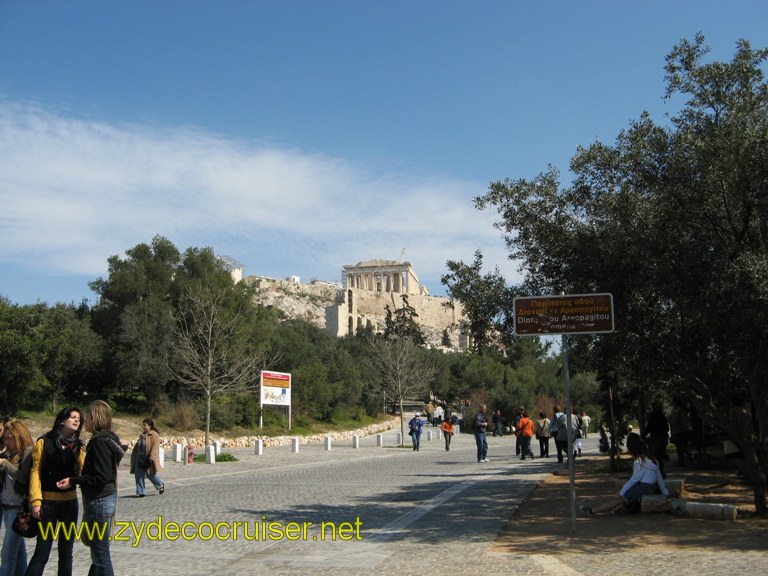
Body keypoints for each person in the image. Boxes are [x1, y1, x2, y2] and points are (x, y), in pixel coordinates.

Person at [58, 400, 124, 576]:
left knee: (101, 555)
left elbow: (101, 477)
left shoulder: (100, 442)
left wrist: (74, 480)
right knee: (96, 551)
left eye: (87, 417)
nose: (84, 421)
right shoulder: (107, 440)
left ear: (95, 418)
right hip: (102, 501)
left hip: (100, 502)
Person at [26, 406, 85, 576]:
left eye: (79, 419)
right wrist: (36, 502)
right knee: (42, 552)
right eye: (73, 417)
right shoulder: (44, 442)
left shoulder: (79, 446)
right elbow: (35, 472)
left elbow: (83, 472)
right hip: (49, 504)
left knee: (66, 553)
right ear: (61, 420)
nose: (76, 420)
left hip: (70, 504)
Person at [579, 432, 668, 517]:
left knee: (618, 499)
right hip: (649, 485)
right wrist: (664, 491)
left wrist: (621, 493)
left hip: (643, 486)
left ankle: (593, 511)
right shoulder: (651, 457)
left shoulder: (640, 460)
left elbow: (634, 479)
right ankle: (626, 506)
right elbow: (658, 476)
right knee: (618, 482)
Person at [1, 419, 34, 576]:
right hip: (6, 506)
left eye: (10, 438)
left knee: (7, 553)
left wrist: (5, 465)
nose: (7, 441)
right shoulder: (8, 453)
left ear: (19, 436)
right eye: (5, 438)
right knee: (18, 551)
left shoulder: (27, 453)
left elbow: (24, 477)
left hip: (17, 507)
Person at [129, 418, 165, 497]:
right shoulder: (142, 435)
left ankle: (160, 485)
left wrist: (151, 457)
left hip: (148, 458)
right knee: (138, 475)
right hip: (139, 458)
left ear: (150, 426)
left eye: (145, 425)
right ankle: (141, 492)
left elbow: (155, 447)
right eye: (143, 425)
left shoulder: (154, 435)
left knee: (151, 474)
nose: (143, 426)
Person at [644, 401, 670, 478]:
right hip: (664, 438)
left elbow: (649, 427)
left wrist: (643, 436)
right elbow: (667, 428)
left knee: (650, 455)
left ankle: (651, 472)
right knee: (660, 457)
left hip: (656, 438)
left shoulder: (653, 415)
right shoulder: (663, 416)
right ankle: (660, 472)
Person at [668, 398, 692, 467]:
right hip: (684, 431)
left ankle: (682, 463)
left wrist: (670, 420)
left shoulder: (677, 411)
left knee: (680, 448)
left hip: (679, 432)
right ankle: (690, 459)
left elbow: (675, 421)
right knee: (684, 447)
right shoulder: (683, 411)